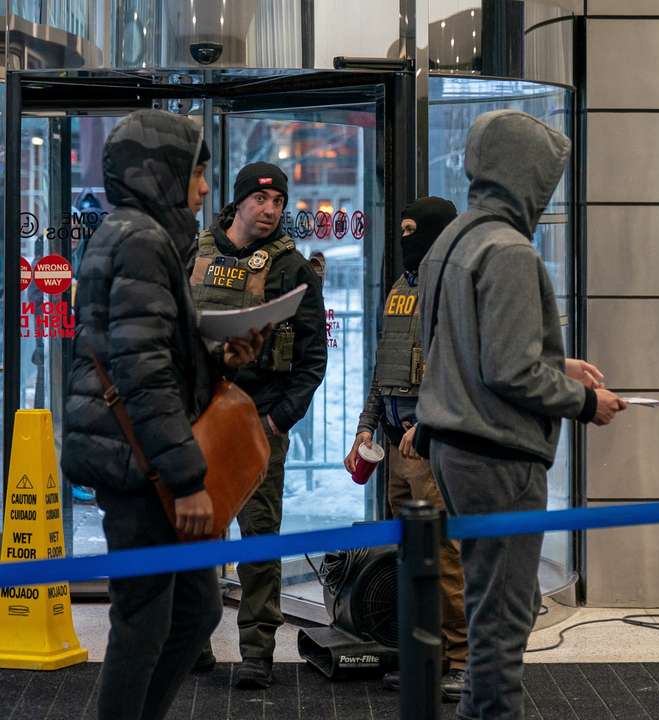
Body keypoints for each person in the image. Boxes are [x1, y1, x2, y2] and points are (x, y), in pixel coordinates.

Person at [411, 109, 627, 720]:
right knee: (503, 624)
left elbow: (463, 351)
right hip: (498, 455)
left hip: (454, 450)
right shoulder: (508, 251)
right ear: (524, 173)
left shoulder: (450, 241)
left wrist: (560, 367)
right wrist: (586, 401)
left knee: (488, 613)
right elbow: (508, 372)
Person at [63, 109, 266, 720]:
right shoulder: (142, 241)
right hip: (141, 473)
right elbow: (143, 376)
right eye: (197, 173)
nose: (206, 189)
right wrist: (186, 481)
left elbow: (146, 352)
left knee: (194, 611)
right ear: (161, 174)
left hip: (137, 461)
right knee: (144, 623)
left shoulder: (134, 236)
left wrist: (214, 353)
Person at [189, 162, 328, 688]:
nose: (270, 211)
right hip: (198, 419)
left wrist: (279, 418)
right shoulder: (196, 255)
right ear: (240, 201)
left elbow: (313, 356)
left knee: (258, 540)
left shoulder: (293, 268)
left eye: (277, 203)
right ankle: (194, 641)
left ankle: (256, 652)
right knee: (194, 534)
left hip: (256, 422)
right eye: (260, 201)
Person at [346, 195, 468, 700]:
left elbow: (459, 371)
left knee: (444, 558)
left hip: (432, 447)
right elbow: (384, 368)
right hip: (396, 448)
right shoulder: (402, 287)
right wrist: (365, 427)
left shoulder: (455, 291)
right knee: (410, 559)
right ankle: (426, 656)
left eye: (415, 233)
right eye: (403, 232)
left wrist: (429, 423)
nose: (406, 243)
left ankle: (460, 660)